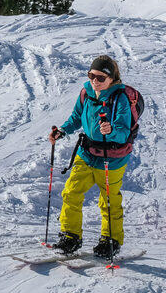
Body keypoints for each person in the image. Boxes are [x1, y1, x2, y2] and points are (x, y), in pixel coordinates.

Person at [49, 55, 133, 259]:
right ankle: (71, 236)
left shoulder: (119, 98)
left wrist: (111, 129)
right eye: (91, 75)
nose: (95, 80)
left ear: (112, 78)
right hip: (86, 153)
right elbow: (76, 117)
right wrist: (62, 131)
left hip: (111, 158)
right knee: (71, 192)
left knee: (109, 200)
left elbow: (123, 131)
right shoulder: (86, 92)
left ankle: (110, 240)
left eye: (101, 77)